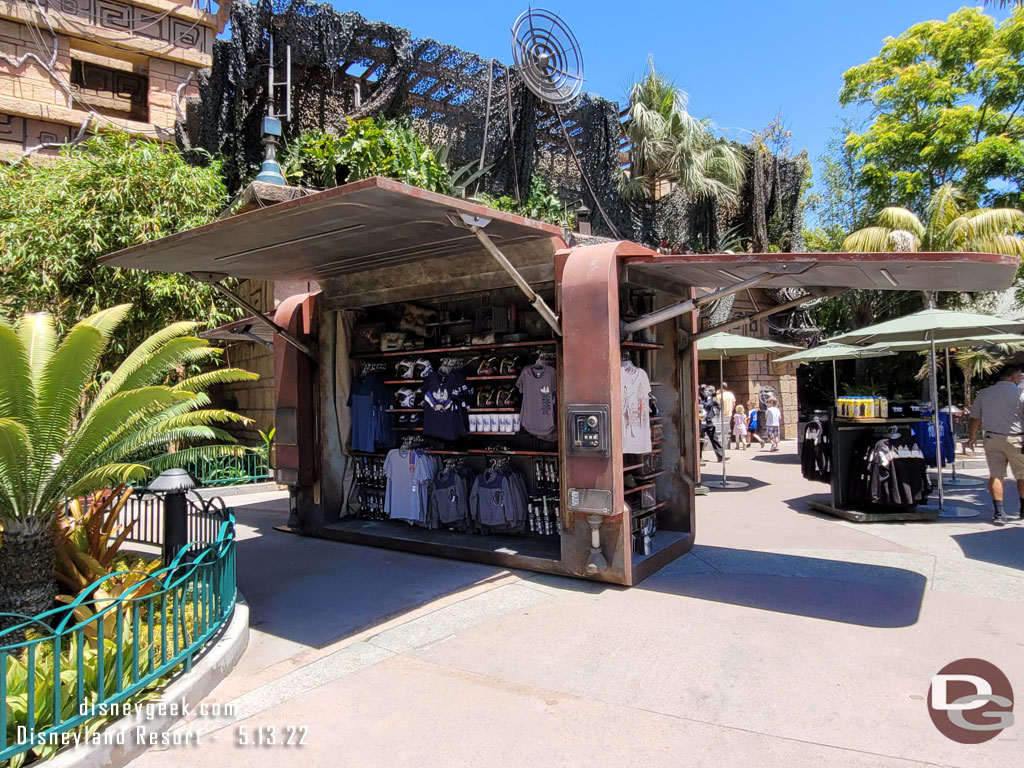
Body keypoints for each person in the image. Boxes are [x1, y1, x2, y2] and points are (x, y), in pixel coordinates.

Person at [966, 363, 1024, 526]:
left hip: (992, 438)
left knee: (996, 475)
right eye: (1019, 375)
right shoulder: (1021, 394)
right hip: (1017, 438)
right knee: (1022, 475)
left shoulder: (985, 393)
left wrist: (971, 437)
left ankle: (999, 513)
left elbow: (975, 418)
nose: (1021, 378)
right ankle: (1023, 509)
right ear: (1011, 376)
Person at [699, 385, 724, 462]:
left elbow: (710, 403)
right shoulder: (698, 398)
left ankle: (721, 456)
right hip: (700, 421)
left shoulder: (709, 397)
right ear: (701, 391)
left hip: (708, 420)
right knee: (700, 440)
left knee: (714, 438)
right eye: (704, 390)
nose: (706, 392)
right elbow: (704, 405)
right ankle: (699, 457)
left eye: (707, 390)